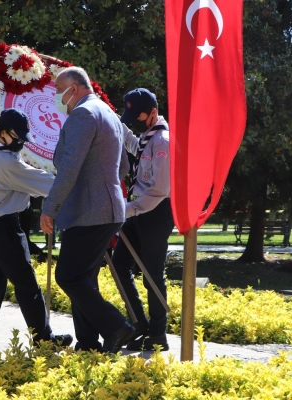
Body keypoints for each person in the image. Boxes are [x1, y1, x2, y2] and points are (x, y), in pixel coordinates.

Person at [39, 66, 135, 353]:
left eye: (59, 91)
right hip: (106, 208)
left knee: (68, 276)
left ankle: (116, 326)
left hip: (88, 211)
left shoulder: (83, 114)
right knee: (84, 278)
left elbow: (69, 167)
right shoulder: (109, 113)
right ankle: (88, 343)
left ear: (75, 88)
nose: (57, 97)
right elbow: (123, 166)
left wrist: (50, 207)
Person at [0, 108, 73, 352]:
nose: (21, 141)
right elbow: (46, 183)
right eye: (18, 136)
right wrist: (71, 179)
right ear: (3, 132)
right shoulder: (6, 162)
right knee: (27, 287)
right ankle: (44, 341)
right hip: (5, 229)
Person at [110, 88, 174, 351]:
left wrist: (128, 209)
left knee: (152, 275)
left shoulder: (163, 142)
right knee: (119, 265)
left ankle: (158, 334)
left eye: (138, 116)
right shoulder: (148, 137)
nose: (135, 121)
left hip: (155, 212)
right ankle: (139, 323)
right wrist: (115, 120)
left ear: (153, 112)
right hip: (137, 210)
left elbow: (160, 190)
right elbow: (135, 147)